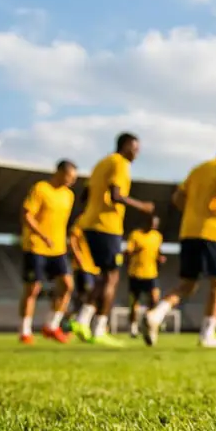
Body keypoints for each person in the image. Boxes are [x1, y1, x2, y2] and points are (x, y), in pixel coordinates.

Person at [143, 137, 216, 347]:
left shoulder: (198, 169)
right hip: (212, 232)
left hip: (188, 231)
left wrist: (194, 210)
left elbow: (177, 198)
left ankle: (157, 314)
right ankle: (208, 334)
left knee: (188, 284)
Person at [72, 133, 154, 345]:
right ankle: (97, 328)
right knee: (112, 277)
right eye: (135, 148)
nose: (137, 153)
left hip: (91, 223)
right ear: (125, 146)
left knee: (105, 275)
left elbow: (85, 195)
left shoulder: (102, 163)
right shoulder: (120, 163)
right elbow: (116, 195)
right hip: (106, 225)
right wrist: (142, 206)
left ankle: (83, 320)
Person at [17, 160, 78, 344]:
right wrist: (43, 235)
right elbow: (27, 215)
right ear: (59, 172)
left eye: (74, 178)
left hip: (57, 249)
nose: (72, 181)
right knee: (33, 288)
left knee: (67, 285)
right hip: (36, 246)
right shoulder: (41, 188)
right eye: (69, 177)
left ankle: (51, 326)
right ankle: (25, 331)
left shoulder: (69, 195)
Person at [125, 216, 165, 337]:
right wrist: (137, 250)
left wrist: (160, 258)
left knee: (154, 299)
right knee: (134, 302)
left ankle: (148, 321)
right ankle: (133, 327)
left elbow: (157, 252)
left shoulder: (157, 236)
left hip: (151, 273)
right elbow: (128, 252)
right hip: (136, 273)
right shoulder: (136, 235)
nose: (153, 227)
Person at [66, 221, 100, 330]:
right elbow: (72, 240)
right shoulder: (82, 221)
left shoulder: (99, 222)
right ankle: (73, 322)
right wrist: (77, 256)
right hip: (83, 266)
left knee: (92, 296)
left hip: (96, 267)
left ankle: (77, 322)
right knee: (87, 294)